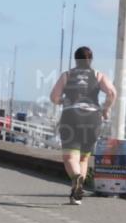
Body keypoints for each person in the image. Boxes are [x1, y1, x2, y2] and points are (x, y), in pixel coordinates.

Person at [50, 47, 117, 205]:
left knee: (70, 157)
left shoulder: (67, 75)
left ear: (75, 59)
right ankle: (76, 195)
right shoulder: (98, 75)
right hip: (92, 118)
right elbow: (112, 93)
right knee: (83, 158)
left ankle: (76, 178)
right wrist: (106, 109)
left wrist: (62, 101)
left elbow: (54, 96)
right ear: (91, 59)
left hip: (71, 116)